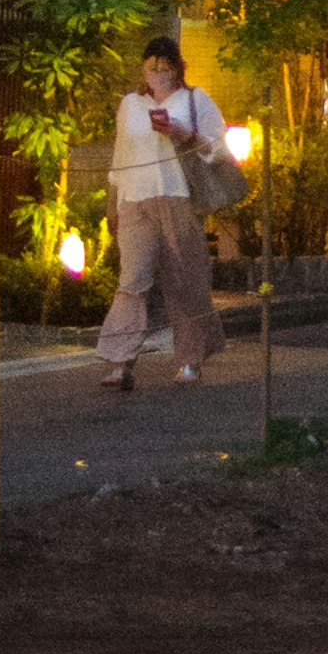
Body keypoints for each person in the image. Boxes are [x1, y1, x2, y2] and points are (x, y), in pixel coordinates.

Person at [98, 33, 231, 392]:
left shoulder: (194, 100)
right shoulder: (130, 104)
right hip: (134, 199)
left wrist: (183, 134)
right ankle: (119, 360)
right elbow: (120, 155)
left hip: (178, 198)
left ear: (177, 69)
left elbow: (219, 149)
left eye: (166, 67)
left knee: (184, 280)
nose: (158, 73)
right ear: (143, 68)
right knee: (132, 280)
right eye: (152, 66)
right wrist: (113, 203)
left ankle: (190, 360)